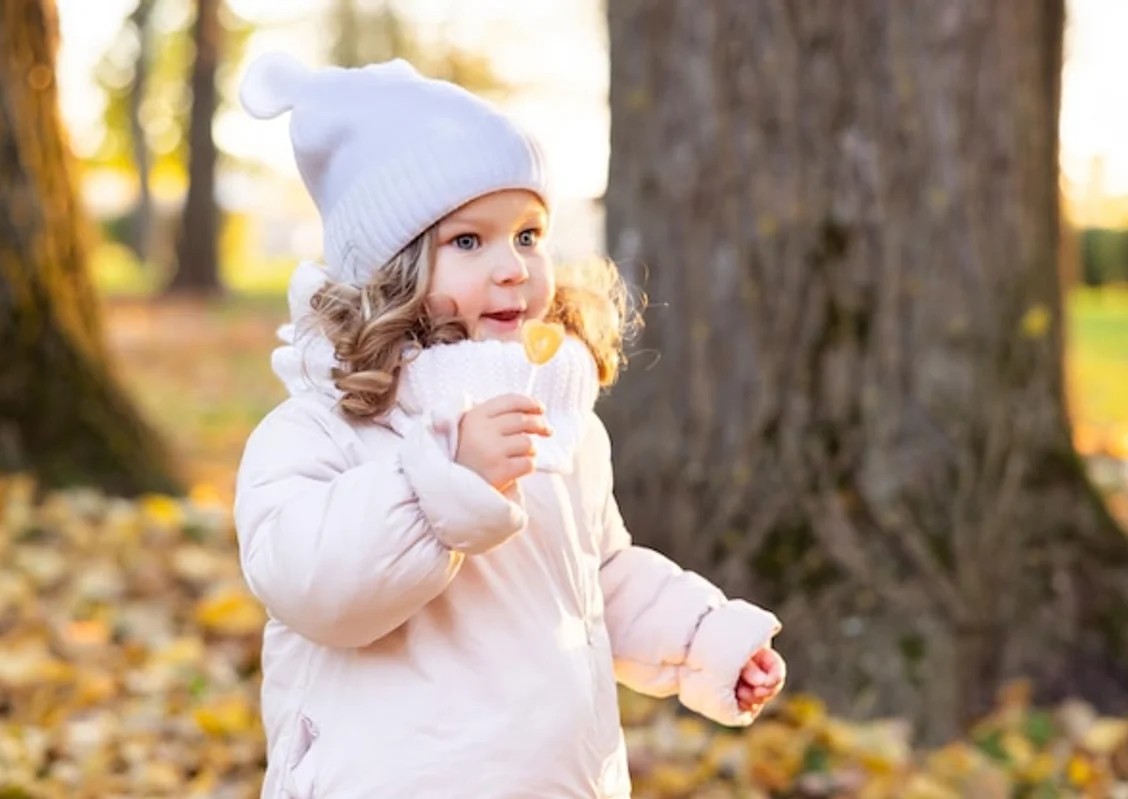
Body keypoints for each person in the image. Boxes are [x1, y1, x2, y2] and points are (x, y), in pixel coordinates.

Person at [232, 51, 786, 799]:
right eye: (469, 241)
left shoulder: (560, 416)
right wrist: (444, 483)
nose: (513, 266)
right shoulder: (324, 425)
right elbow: (311, 586)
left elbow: (599, 577)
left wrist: (705, 639)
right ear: (392, 270)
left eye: (528, 235)